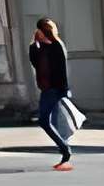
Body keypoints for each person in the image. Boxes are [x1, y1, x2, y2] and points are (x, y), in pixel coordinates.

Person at [30, 16, 76, 169]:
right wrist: (34, 45)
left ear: (45, 31)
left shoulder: (57, 46)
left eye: (40, 30)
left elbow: (62, 70)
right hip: (46, 89)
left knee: (46, 121)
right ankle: (65, 150)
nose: (38, 32)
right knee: (50, 122)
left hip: (55, 89)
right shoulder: (39, 48)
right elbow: (35, 63)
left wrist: (64, 90)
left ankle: (65, 150)